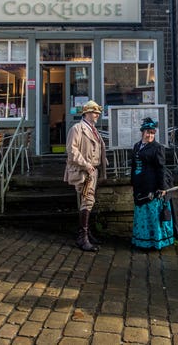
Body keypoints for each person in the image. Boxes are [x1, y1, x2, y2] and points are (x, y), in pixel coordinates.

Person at [64, 100, 107, 252]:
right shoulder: (77, 128)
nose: (97, 115)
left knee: (88, 201)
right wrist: (86, 164)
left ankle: (87, 233)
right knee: (87, 201)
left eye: (98, 113)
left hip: (92, 171)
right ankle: (83, 238)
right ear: (87, 113)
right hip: (83, 171)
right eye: (95, 113)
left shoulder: (93, 129)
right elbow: (72, 150)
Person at [131, 117, 175, 250]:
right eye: (148, 132)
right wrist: (133, 181)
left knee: (153, 215)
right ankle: (141, 241)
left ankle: (155, 242)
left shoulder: (157, 148)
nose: (150, 135)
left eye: (152, 133)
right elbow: (133, 165)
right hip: (140, 185)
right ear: (142, 132)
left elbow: (160, 168)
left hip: (152, 185)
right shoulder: (137, 146)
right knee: (142, 214)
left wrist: (162, 187)